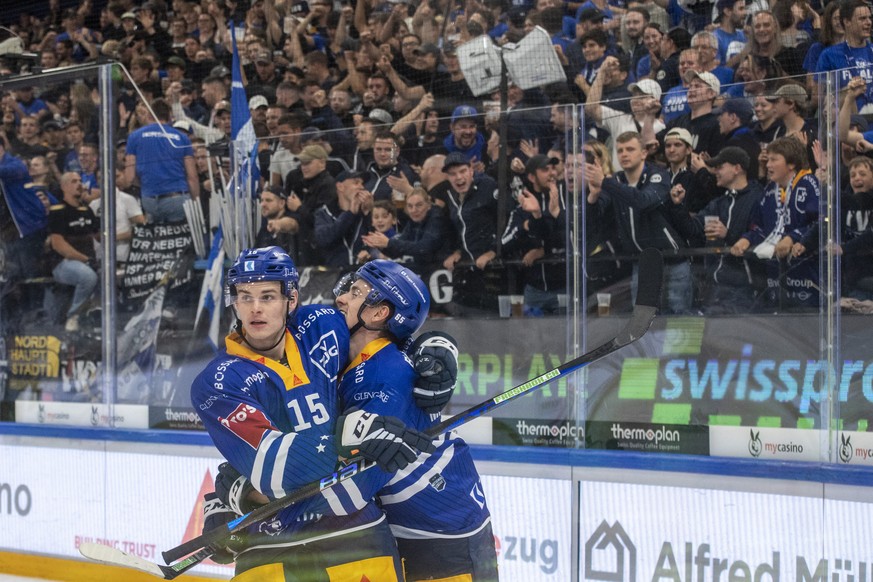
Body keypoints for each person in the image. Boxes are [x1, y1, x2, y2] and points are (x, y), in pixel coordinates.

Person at [191, 247, 445, 580]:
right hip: (271, 543)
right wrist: (352, 435)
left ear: (290, 299)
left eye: (268, 296)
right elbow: (275, 467)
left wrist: (433, 347)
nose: (255, 308)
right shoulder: (217, 382)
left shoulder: (321, 325)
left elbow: (382, 333)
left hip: (356, 535)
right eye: (244, 296)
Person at [333, 260, 498, 581]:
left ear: (379, 313)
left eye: (354, 293)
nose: (341, 299)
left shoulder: (385, 375)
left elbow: (358, 479)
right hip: (421, 531)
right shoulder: (367, 358)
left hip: (445, 540)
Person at [585, 131, 692, 314]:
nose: (624, 154)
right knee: (644, 323)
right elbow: (595, 221)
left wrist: (605, 183)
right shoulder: (615, 180)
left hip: (672, 261)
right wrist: (593, 196)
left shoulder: (657, 175)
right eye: (620, 150)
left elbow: (643, 201)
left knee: (680, 322)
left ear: (643, 153)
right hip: (642, 264)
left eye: (630, 149)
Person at [669, 147, 765, 314]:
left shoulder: (758, 198)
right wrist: (678, 206)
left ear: (737, 168)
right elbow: (692, 228)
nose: (715, 172)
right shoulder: (720, 202)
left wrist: (727, 235)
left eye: (720, 167)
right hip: (714, 289)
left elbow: (762, 239)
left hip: (745, 292)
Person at [730, 136, 820, 310]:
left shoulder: (809, 184)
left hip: (807, 276)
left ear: (791, 163)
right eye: (768, 159)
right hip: (775, 276)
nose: (768, 165)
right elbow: (761, 227)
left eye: (774, 159)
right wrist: (747, 239)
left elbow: (820, 223)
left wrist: (793, 238)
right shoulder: (770, 190)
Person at [501, 154, 567, 316]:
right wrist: (526, 226)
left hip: (565, 288)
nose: (552, 173)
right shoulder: (522, 205)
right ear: (531, 176)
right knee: (529, 339)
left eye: (553, 168)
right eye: (545, 169)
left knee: (567, 338)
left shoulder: (566, 199)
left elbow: (571, 238)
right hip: (534, 290)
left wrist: (544, 251)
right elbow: (504, 243)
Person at [440, 151, 500, 314]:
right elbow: (458, 229)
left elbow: (506, 221)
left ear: (471, 171)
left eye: (462, 171)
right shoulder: (451, 195)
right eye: (452, 174)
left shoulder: (488, 187)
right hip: (469, 270)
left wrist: (493, 251)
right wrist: (457, 251)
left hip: (495, 271)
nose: (458, 178)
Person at [124, 98, 199, 223]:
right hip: (177, 198)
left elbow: (129, 177)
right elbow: (192, 177)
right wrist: (196, 203)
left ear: (149, 115)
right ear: (170, 116)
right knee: (179, 240)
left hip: (150, 200)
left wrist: (145, 185)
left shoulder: (134, 137)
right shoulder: (182, 138)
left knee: (157, 240)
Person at [47, 172, 100, 332]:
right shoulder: (58, 211)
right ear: (64, 187)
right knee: (87, 276)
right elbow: (58, 244)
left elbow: (99, 236)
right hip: (63, 263)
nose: (79, 184)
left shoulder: (87, 210)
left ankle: (96, 312)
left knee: (108, 273)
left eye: (80, 181)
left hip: (88, 260)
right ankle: (74, 315)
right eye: (73, 181)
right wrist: (84, 259)